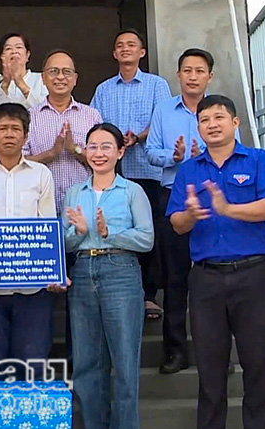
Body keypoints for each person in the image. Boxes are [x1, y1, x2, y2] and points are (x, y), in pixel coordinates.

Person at [167, 95, 265, 429]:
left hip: (252, 275)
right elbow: (177, 223)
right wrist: (191, 215)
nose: (212, 125)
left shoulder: (259, 160)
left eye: (219, 117)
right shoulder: (189, 170)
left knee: (258, 363)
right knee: (209, 368)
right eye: (204, 120)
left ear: (235, 122)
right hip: (205, 279)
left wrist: (229, 209)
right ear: (198, 128)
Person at [0, 103, 63, 378]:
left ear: (26, 136)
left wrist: (53, 272)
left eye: (16, 129)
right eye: (2, 129)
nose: (9, 134)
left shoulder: (41, 174)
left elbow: (46, 228)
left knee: (32, 363)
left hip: (32, 289)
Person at [64, 123, 154, 429]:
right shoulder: (74, 192)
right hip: (82, 270)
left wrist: (109, 233)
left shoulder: (132, 191)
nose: (98, 153)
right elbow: (63, 243)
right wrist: (80, 232)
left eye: (106, 147)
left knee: (125, 362)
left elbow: (146, 238)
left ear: (120, 152)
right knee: (86, 363)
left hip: (121, 272)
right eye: (92, 146)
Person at [90, 28, 171, 322]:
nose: (125, 49)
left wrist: (138, 136)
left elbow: (162, 121)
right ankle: (120, 291)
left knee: (148, 232)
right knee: (116, 228)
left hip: (149, 171)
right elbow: (96, 125)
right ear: (114, 53)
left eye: (131, 45)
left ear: (142, 52)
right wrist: (112, 142)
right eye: (120, 45)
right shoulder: (103, 89)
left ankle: (148, 295)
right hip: (114, 173)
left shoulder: (156, 84)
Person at [145, 48, 215, 374]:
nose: (193, 77)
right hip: (172, 194)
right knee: (175, 276)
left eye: (199, 71)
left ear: (209, 77)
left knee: (212, 276)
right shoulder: (163, 109)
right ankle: (174, 350)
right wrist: (174, 157)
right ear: (178, 75)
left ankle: (213, 352)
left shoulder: (219, 109)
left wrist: (207, 156)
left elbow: (235, 149)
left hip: (212, 197)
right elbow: (150, 152)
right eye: (187, 70)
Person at [24, 49, 102, 212]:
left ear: (75, 79)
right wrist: (50, 154)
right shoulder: (29, 117)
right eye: (53, 71)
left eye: (67, 72)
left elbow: (104, 161)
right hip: (40, 206)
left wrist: (75, 149)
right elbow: (19, 164)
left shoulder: (91, 115)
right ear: (43, 78)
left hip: (83, 206)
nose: (60, 77)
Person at [0, 32, 48, 109]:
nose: (14, 51)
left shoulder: (42, 79)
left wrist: (20, 82)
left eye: (19, 47)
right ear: (2, 57)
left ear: (27, 55)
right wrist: (5, 85)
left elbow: (46, 108)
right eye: (8, 48)